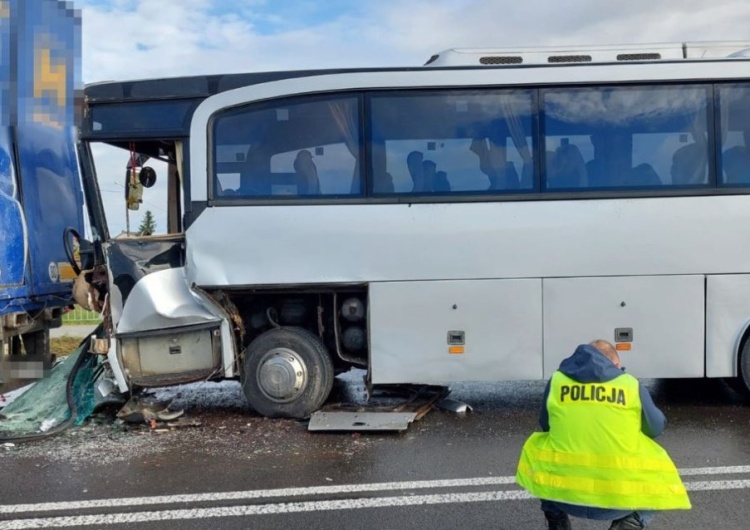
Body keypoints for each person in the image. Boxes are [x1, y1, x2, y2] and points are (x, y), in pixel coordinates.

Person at [516, 340, 691, 530]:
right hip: (619, 502)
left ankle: (556, 520)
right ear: (615, 363)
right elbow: (655, 429)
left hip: (562, 496)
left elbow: (546, 424)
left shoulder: (558, 381)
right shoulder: (629, 384)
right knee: (662, 470)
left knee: (539, 446)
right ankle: (631, 523)